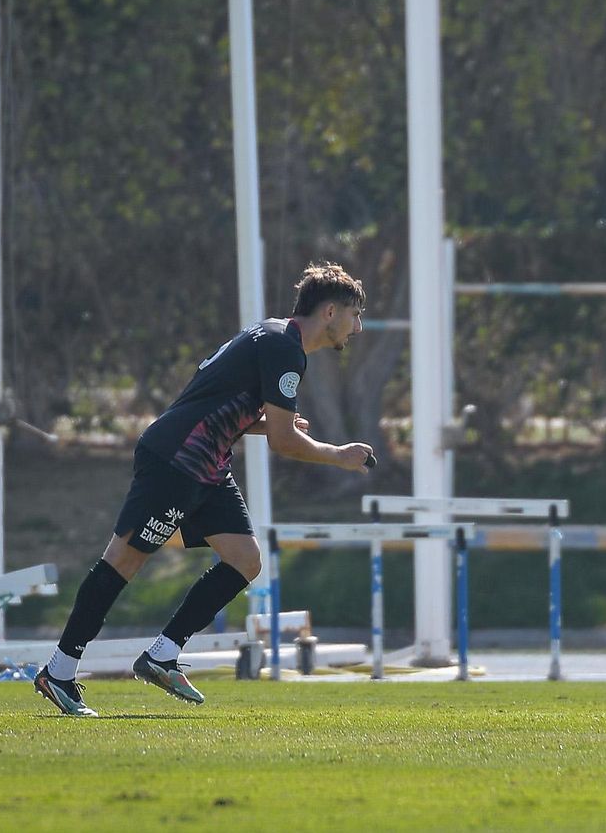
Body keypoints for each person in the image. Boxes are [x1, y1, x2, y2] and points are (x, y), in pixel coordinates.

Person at [34, 261, 376, 717]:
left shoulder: (272, 335)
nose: (358, 327)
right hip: (177, 460)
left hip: (207, 466)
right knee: (124, 559)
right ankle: (58, 670)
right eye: (355, 315)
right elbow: (284, 441)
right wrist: (338, 455)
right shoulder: (285, 349)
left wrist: (259, 426)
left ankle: (162, 655)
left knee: (245, 559)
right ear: (330, 312)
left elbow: (224, 402)